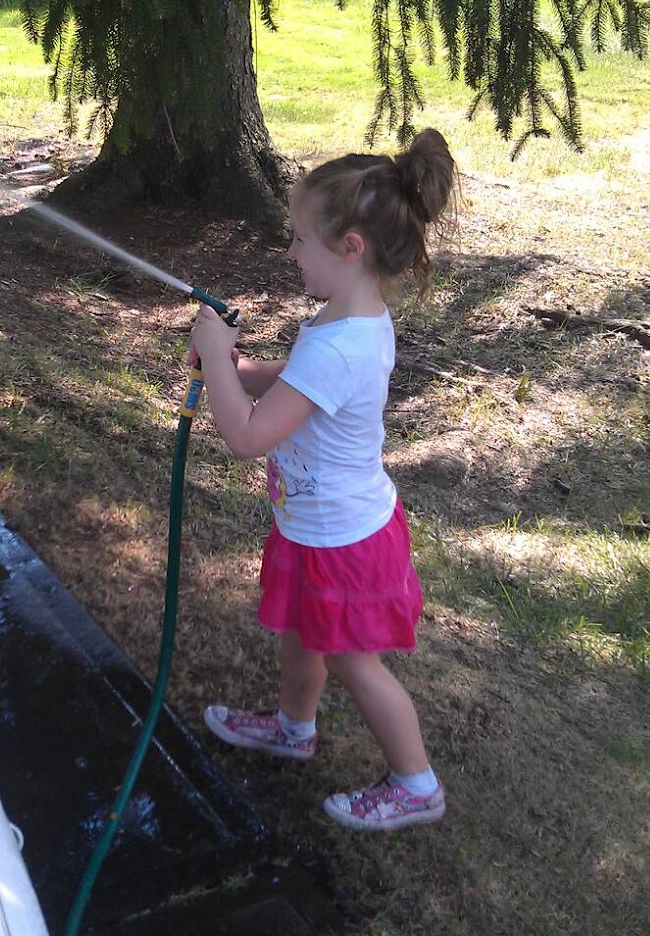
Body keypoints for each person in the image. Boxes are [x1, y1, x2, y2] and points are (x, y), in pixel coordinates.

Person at [187, 128, 457, 832]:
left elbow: (247, 438)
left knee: (352, 661)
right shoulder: (350, 318)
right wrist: (244, 371)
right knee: (304, 633)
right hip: (318, 526)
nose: (291, 253)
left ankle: (416, 784)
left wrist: (216, 358)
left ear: (350, 248)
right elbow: (301, 381)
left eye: (300, 240)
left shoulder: (341, 343)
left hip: (343, 540)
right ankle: (293, 727)